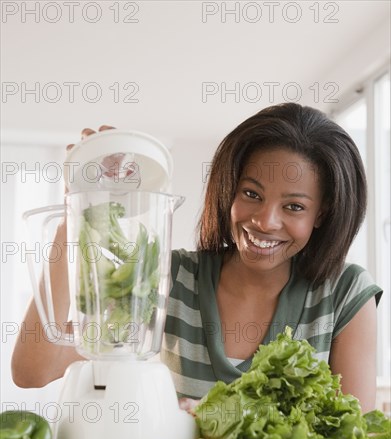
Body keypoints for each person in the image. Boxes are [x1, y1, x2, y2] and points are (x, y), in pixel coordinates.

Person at [11, 103, 382, 413]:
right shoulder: (167, 277)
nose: (266, 221)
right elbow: (34, 369)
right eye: (251, 194)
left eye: (294, 206)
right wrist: (77, 209)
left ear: (322, 213)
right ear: (228, 190)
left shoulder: (344, 293)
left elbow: (351, 438)